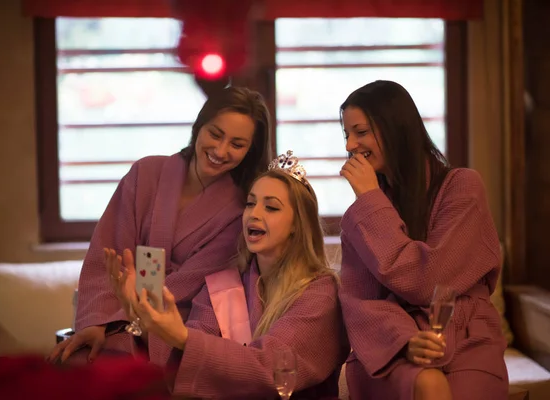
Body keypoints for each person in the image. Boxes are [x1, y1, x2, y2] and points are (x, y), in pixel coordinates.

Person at [48, 86, 272, 364]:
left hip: (177, 326)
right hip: (114, 315)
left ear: (250, 151)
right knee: (80, 363)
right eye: (215, 134)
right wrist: (97, 321)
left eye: (237, 144)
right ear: (199, 126)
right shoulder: (146, 173)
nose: (220, 150)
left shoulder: (239, 210)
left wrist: (135, 305)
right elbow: (107, 251)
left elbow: (188, 283)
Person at [124, 151, 348, 399]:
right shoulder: (221, 287)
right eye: (251, 203)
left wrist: (184, 338)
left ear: (298, 224)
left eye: (271, 207)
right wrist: (145, 322)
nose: (254, 213)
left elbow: (274, 367)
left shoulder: (320, 293)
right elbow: (187, 364)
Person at [337, 80, 508, 399]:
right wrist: (404, 341)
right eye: (347, 134)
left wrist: (371, 198)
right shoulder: (362, 213)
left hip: (466, 342)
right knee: (424, 385)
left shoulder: (462, 187)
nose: (350, 145)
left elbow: (429, 281)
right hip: (389, 350)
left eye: (360, 132)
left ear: (395, 128)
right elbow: (358, 303)